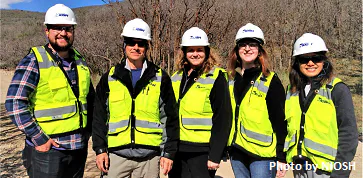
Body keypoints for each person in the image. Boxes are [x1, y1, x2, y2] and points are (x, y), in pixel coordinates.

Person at [5, 4, 94, 178]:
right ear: (47, 31)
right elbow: (14, 102)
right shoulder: (34, 60)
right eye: (57, 28)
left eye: (67, 28)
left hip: (78, 149)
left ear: (73, 30)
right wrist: (39, 138)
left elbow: (89, 99)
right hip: (49, 152)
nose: (63, 33)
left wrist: (89, 131)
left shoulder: (80, 61)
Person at [92, 18, 179, 178]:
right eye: (132, 43)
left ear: (147, 47)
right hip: (115, 156)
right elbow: (99, 117)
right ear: (124, 45)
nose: (136, 48)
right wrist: (99, 149)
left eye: (141, 44)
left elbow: (170, 118)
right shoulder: (110, 77)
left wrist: (168, 152)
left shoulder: (159, 77)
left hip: (149, 158)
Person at [283, 33, 358, 178]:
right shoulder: (292, 90)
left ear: (324, 61)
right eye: (304, 59)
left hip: (326, 172)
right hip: (299, 168)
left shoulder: (337, 89)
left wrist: (340, 172)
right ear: (297, 63)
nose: (310, 63)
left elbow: (349, 135)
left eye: (316, 58)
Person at [167, 27, 232, 178]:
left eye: (199, 49)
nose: (195, 54)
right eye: (191, 50)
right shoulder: (176, 77)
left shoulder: (216, 77)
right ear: (184, 52)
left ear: (207, 51)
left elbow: (223, 118)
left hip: (202, 151)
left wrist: (215, 154)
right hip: (177, 149)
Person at [226, 23, 287, 178]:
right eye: (243, 44)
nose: (247, 48)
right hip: (237, 150)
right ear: (237, 49)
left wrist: (281, 156)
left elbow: (280, 121)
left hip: (263, 155)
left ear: (260, 49)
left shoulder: (270, 81)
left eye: (252, 44)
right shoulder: (231, 79)